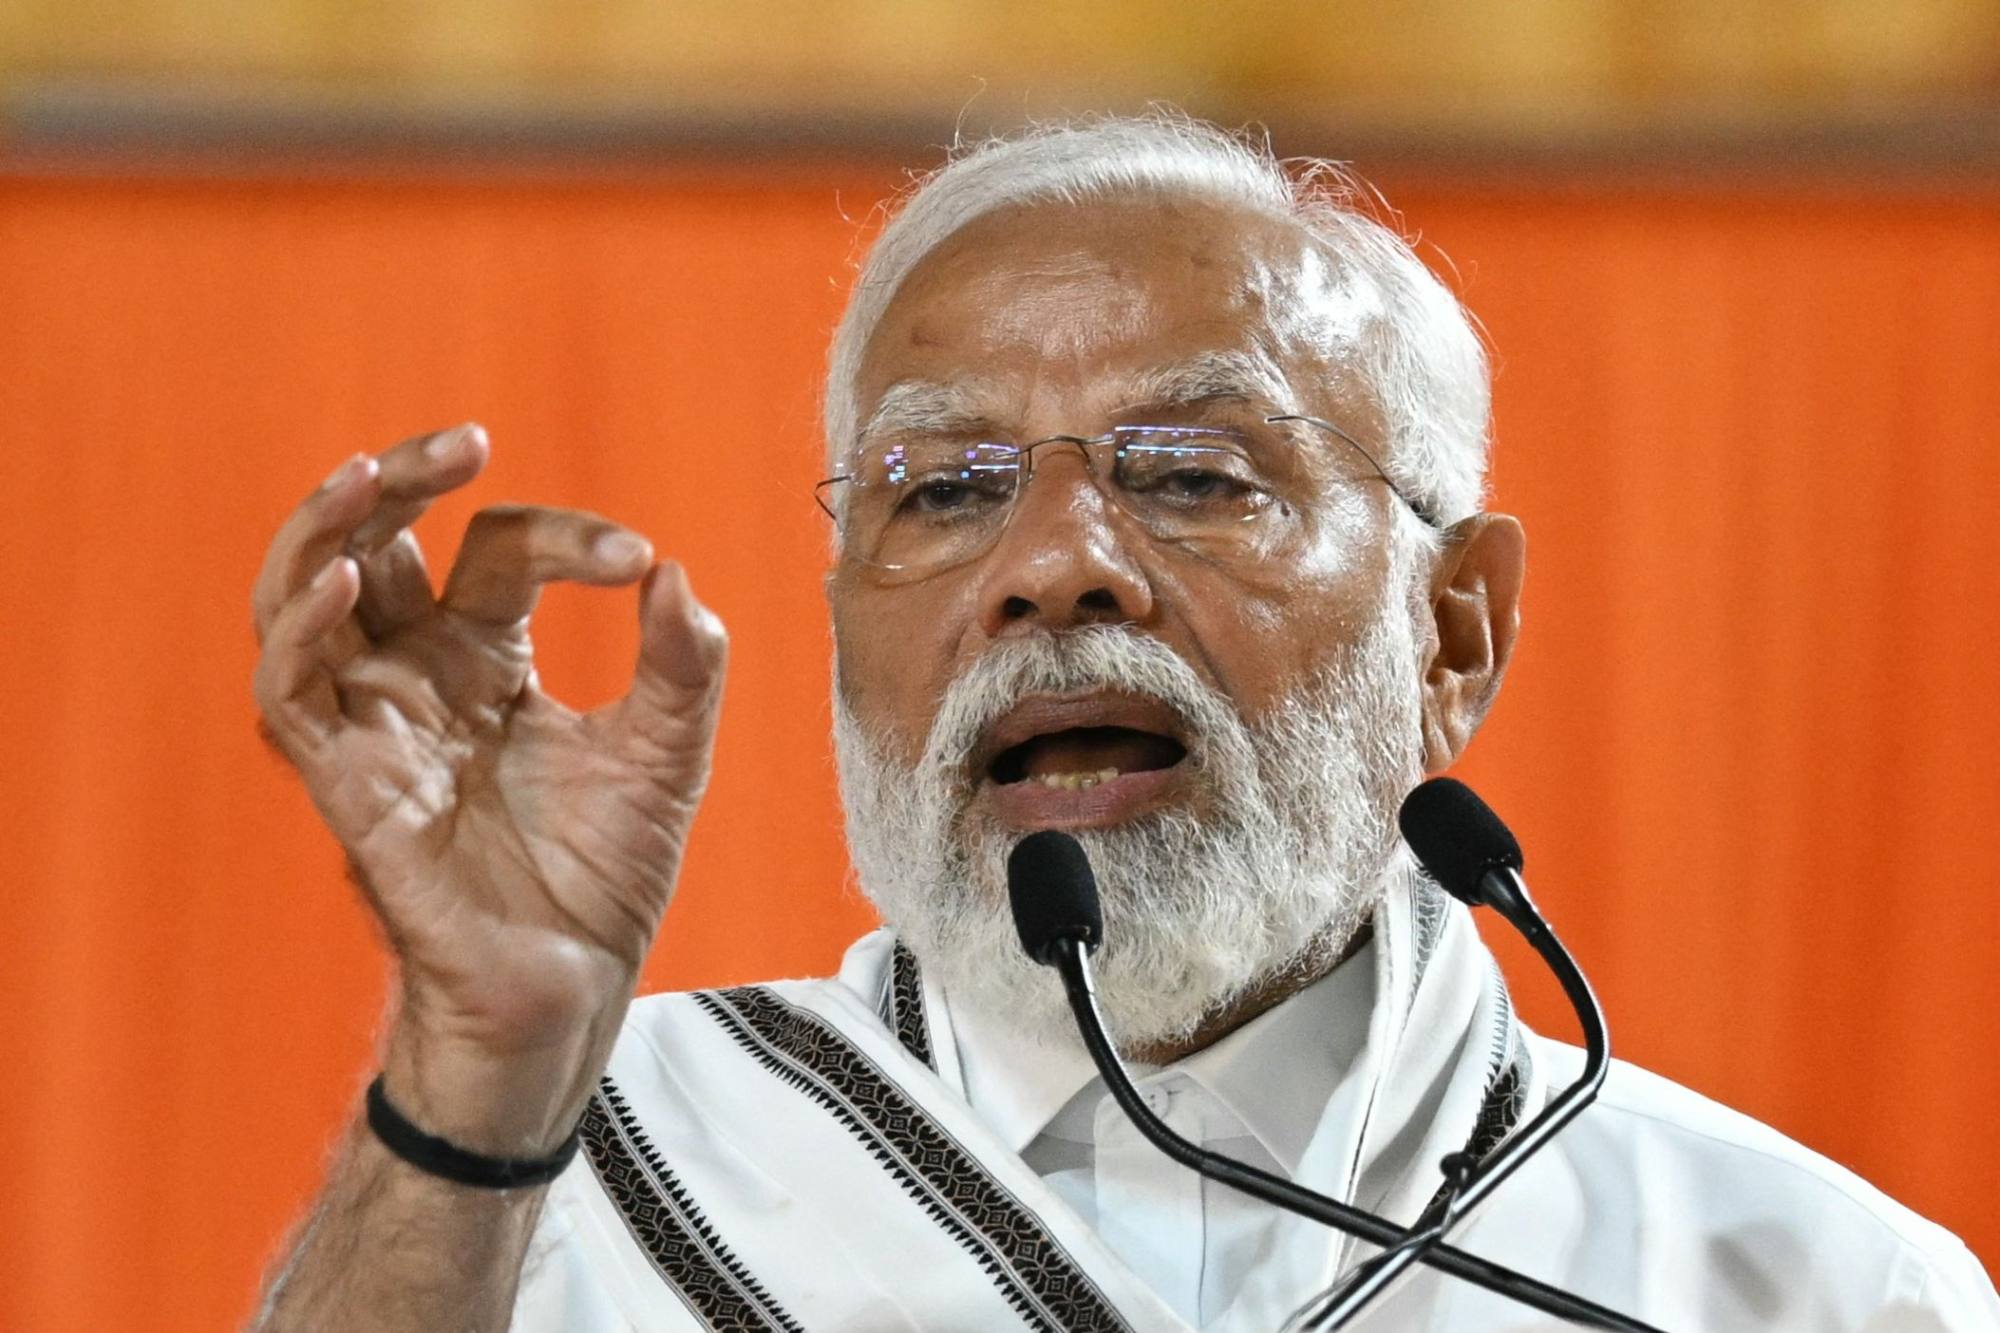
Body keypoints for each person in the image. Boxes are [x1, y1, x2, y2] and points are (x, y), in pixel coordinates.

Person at [247, 116, 1998, 1332]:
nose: (1056, 566)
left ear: (1454, 630)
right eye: (945, 490)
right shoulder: (567, 1178)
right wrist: (481, 1053)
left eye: (1191, 473)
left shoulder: (1788, 1284)